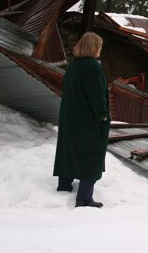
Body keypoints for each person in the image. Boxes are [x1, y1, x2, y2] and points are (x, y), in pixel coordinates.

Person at [53, 32, 110, 208]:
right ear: (94, 47)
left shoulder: (74, 65)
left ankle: (64, 186)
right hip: (87, 119)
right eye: (100, 46)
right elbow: (97, 96)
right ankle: (84, 198)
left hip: (70, 116)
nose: (101, 49)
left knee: (69, 149)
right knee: (91, 153)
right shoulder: (93, 67)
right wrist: (103, 116)